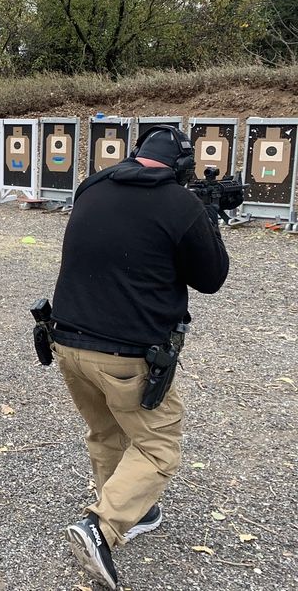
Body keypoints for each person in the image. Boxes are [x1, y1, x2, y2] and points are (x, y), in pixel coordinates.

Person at [48, 125, 230, 590]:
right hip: (128, 355)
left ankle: (135, 509)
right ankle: (103, 527)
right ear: (184, 167)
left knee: (107, 430)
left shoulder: (91, 185)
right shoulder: (181, 205)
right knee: (157, 447)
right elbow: (211, 278)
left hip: (67, 342)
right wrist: (206, 222)